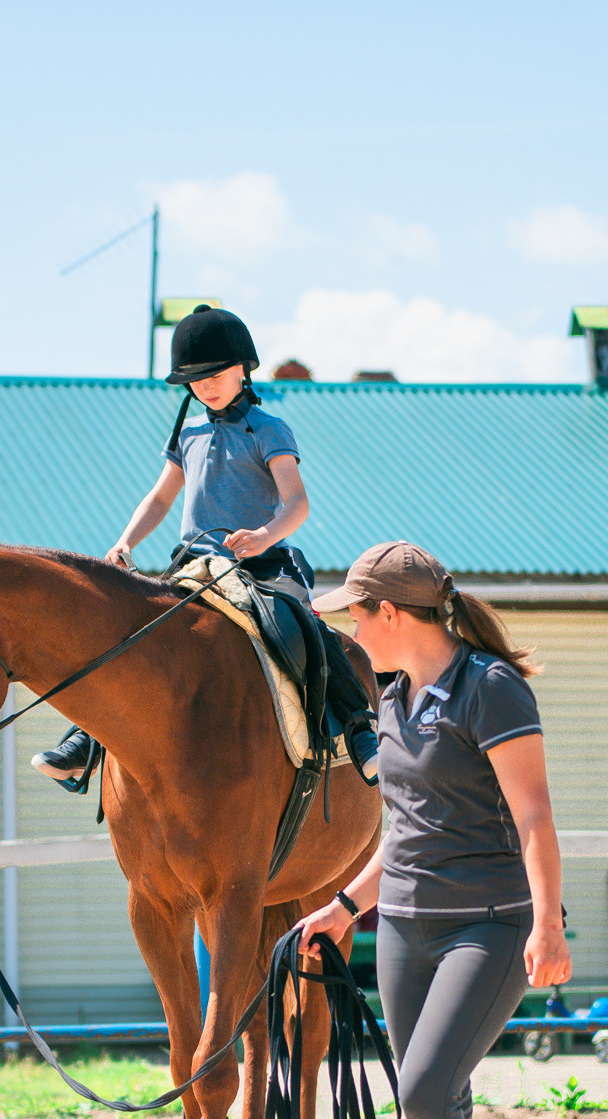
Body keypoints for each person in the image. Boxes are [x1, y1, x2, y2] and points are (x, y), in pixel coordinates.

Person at [291, 541, 571, 1119]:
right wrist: (344, 906)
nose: (351, 631)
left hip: (486, 924)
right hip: (403, 927)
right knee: (431, 1105)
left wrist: (547, 923)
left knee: (422, 1090)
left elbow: (535, 819)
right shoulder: (392, 695)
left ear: (390, 613)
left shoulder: (490, 689)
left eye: (357, 615)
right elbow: (406, 831)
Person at [32, 305, 382, 789]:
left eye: (215, 375)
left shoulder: (269, 429)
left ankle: (359, 727)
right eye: (195, 380)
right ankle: (86, 740)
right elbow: (159, 498)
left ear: (244, 369)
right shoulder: (188, 433)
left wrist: (263, 536)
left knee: (296, 627)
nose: (205, 387)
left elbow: (297, 503)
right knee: (133, 632)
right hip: (195, 565)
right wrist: (125, 541)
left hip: (260, 562)